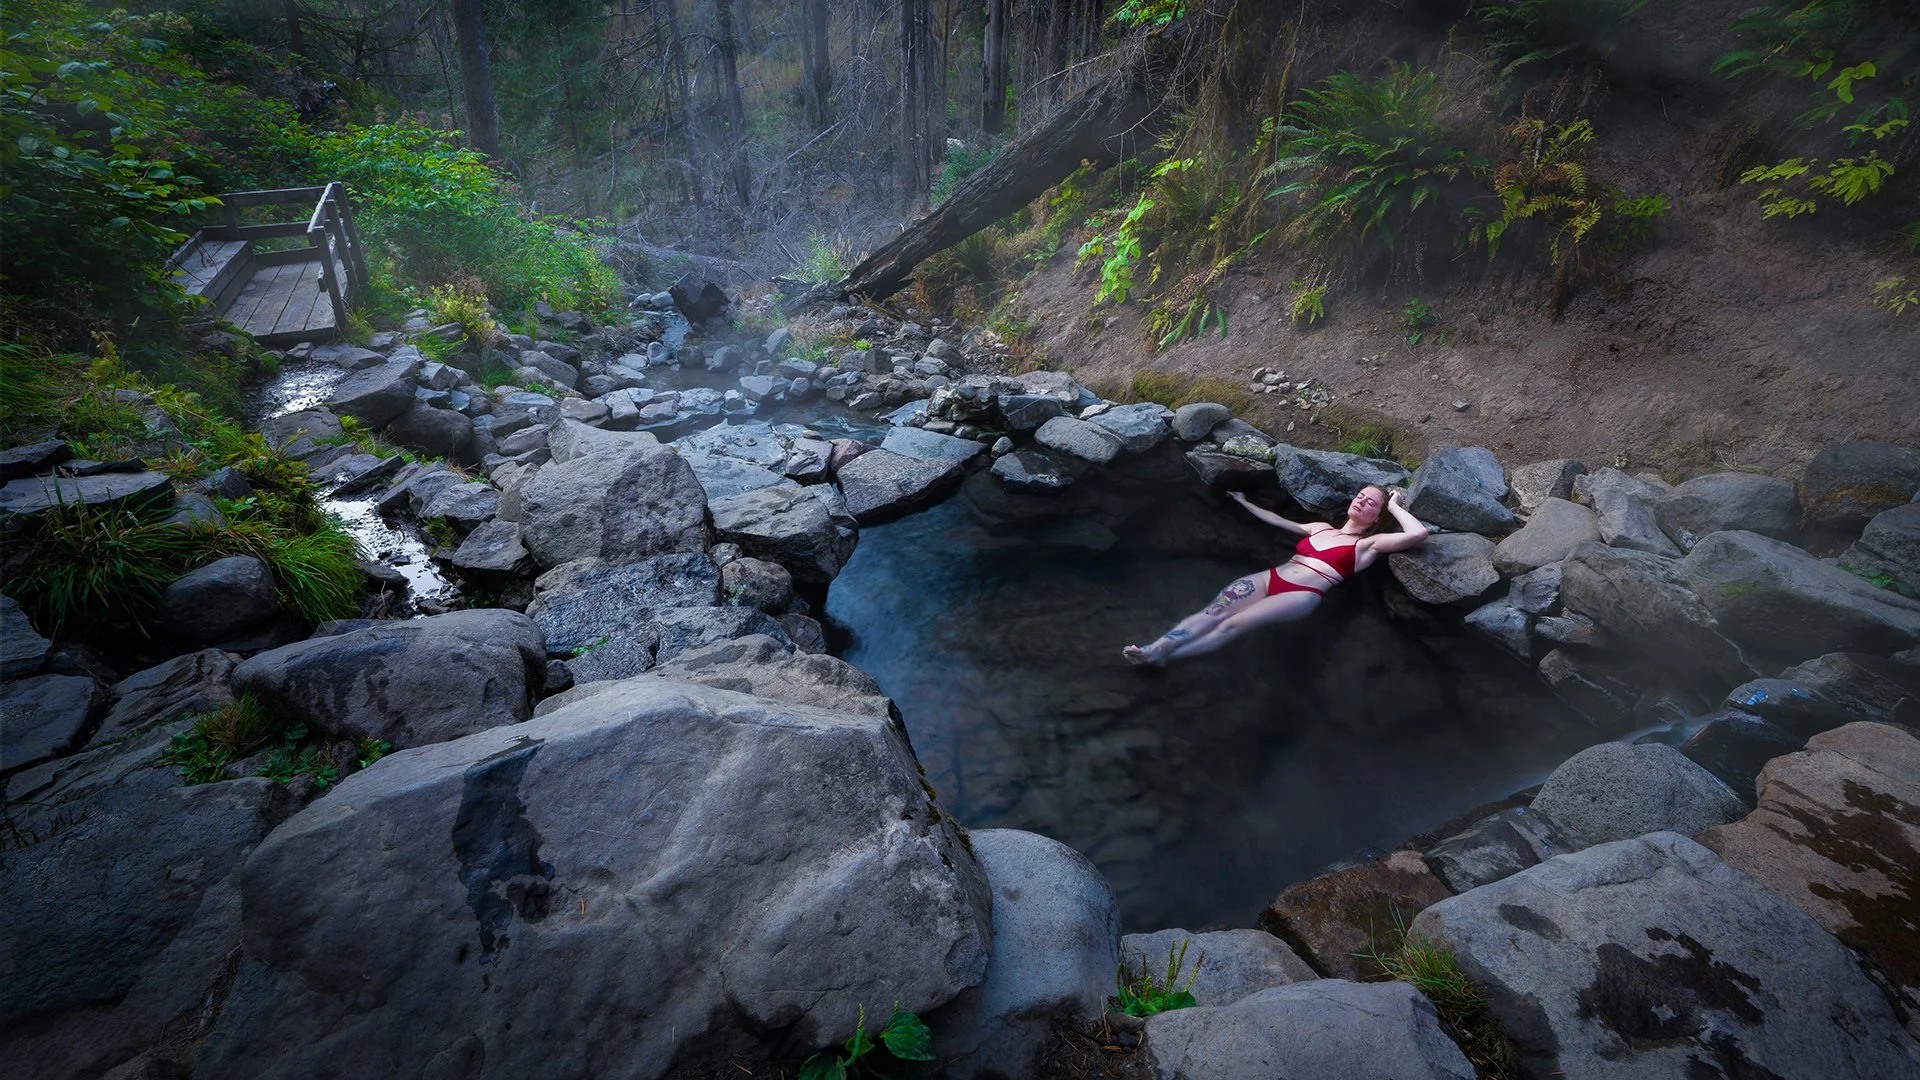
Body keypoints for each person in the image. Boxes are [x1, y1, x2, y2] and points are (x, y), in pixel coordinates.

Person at [1121, 485, 1430, 666]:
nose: (1361, 500)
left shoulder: (1368, 545)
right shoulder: (1320, 527)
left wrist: (1393, 504)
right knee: (1212, 612)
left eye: (1371, 502)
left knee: (1230, 625)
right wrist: (1245, 502)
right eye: (1360, 495)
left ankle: (1167, 658)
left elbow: (1418, 534)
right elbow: (1277, 520)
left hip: (1300, 595)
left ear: (1377, 518)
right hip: (1271, 577)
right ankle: (1157, 646)